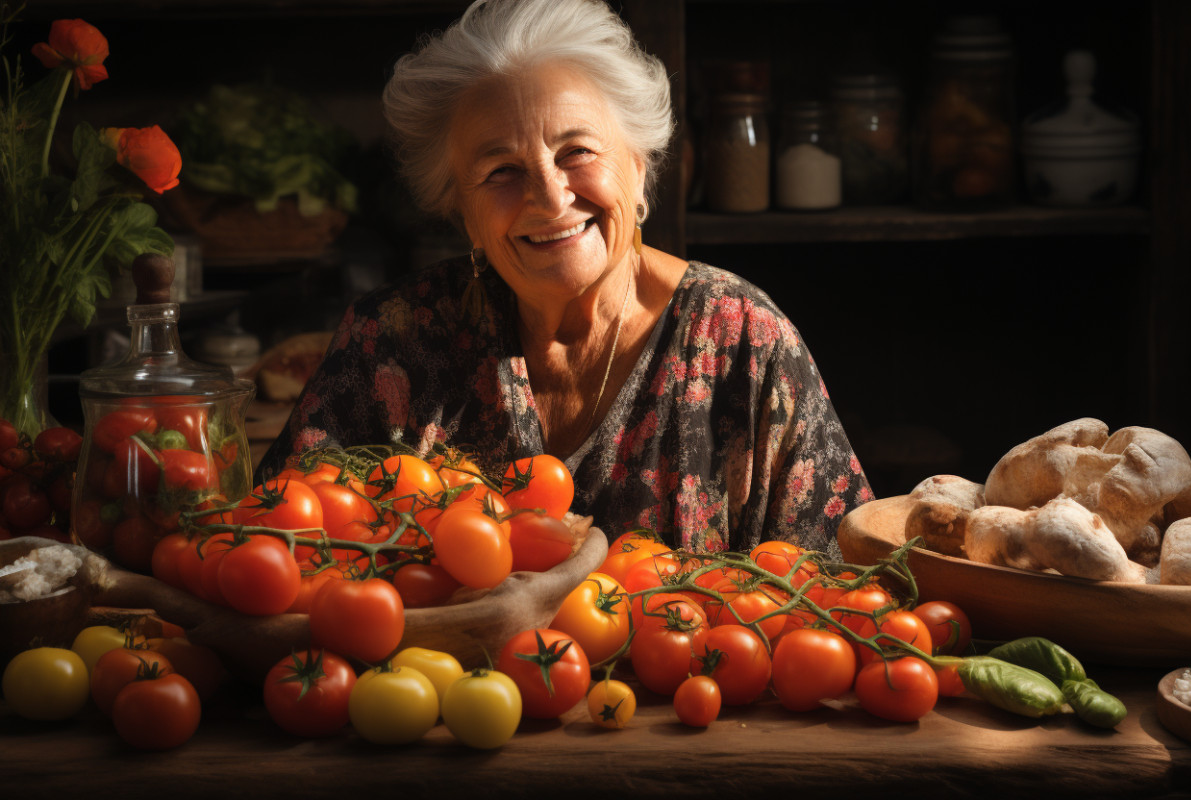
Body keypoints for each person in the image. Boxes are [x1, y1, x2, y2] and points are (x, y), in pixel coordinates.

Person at [258, 0, 873, 555]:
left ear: (638, 168)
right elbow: (270, 550)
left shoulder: (744, 341)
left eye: (576, 151)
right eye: (501, 170)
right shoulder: (390, 342)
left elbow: (843, 593)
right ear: (464, 215)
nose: (550, 198)